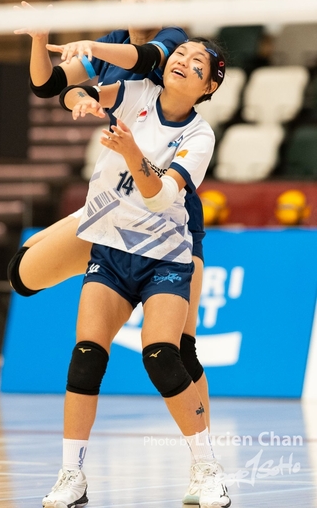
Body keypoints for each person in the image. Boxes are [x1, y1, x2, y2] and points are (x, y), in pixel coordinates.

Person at [10, 0, 211, 502]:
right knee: (20, 275)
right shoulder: (113, 44)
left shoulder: (172, 45)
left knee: (177, 351)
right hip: (113, 211)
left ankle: (204, 467)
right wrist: (49, 55)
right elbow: (50, 86)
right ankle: (88, 237)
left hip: (169, 222)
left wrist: (90, 49)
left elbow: (142, 61)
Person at [40, 38, 230, 508]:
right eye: (181, 54)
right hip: (111, 248)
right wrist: (81, 99)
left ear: (209, 86)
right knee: (86, 355)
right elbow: (71, 91)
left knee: (163, 354)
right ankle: (72, 475)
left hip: (164, 256)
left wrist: (129, 152)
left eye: (198, 62)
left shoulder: (199, 136)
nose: (183, 61)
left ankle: (206, 469)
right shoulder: (136, 91)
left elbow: (162, 196)